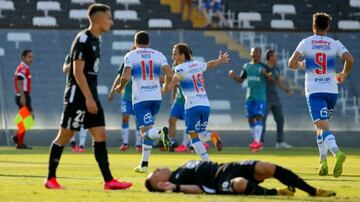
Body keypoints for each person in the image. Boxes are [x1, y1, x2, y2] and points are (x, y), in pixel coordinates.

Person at [44, 4, 132, 190]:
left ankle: (109, 181)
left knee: (100, 135)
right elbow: (77, 72)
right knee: (65, 136)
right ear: (99, 19)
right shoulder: (83, 39)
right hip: (78, 97)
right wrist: (88, 99)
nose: (111, 21)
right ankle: (50, 179)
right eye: (109, 18)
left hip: (90, 96)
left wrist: (92, 98)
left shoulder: (96, 41)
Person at [288, 12, 353, 177]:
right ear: (328, 27)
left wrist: (301, 64)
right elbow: (350, 59)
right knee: (320, 127)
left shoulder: (306, 43)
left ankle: (337, 153)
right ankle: (322, 162)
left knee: (323, 127)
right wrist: (344, 74)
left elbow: (291, 63)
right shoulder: (334, 43)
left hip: (315, 92)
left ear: (313, 26)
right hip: (332, 91)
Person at [115, 31, 173, 173]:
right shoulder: (158, 54)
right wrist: (165, 86)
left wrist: (120, 87)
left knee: (145, 132)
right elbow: (170, 74)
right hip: (156, 98)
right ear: (148, 42)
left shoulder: (131, 55)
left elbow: (126, 75)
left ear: (135, 42)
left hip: (141, 99)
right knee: (148, 130)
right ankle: (144, 164)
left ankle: (161, 134)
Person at [163, 43, 229, 161]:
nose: (173, 56)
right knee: (200, 134)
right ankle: (213, 137)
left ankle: (207, 163)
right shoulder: (197, 64)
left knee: (193, 138)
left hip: (192, 106)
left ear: (183, 55)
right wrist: (220, 60)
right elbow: (210, 64)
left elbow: (171, 85)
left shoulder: (180, 68)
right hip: (205, 105)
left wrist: (165, 85)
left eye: (175, 54)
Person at [145, 159, 336, 197]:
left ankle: (312, 191)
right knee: (240, 184)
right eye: (155, 173)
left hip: (228, 166)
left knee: (267, 167)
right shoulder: (177, 181)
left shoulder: (181, 167)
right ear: (160, 183)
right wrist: (174, 188)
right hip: (219, 183)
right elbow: (200, 189)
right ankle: (274, 192)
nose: (157, 168)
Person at [228, 48, 273, 152]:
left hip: (260, 97)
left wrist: (265, 74)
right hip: (249, 97)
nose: (254, 55)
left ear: (260, 55)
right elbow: (240, 79)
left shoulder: (264, 67)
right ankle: (256, 142)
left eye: (256, 54)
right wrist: (233, 75)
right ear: (250, 54)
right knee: (250, 119)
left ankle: (257, 141)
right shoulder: (247, 66)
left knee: (258, 117)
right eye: (253, 54)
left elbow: (272, 80)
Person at [261, 50, 293, 149]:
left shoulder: (276, 69)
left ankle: (280, 142)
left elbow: (278, 81)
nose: (277, 58)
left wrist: (286, 90)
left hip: (274, 97)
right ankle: (260, 141)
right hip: (264, 97)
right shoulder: (263, 67)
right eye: (275, 56)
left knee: (280, 119)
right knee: (262, 120)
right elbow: (271, 79)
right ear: (270, 57)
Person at [108, 60, 142, 152]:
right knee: (125, 118)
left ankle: (139, 145)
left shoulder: (141, 63)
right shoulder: (126, 63)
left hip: (138, 98)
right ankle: (125, 143)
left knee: (138, 121)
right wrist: (112, 92)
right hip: (126, 98)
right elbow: (119, 77)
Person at [63, 54, 88, 153]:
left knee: (83, 119)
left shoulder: (88, 57)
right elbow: (65, 70)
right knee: (70, 118)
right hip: (71, 92)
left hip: (83, 91)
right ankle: (73, 143)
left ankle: (82, 145)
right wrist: (74, 63)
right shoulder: (69, 56)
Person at [12, 49, 34, 149]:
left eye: (32, 57)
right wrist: (22, 96)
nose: (31, 59)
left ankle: (18, 139)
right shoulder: (23, 68)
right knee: (29, 118)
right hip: (23, 95)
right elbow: (19, 82)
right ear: (23, 57)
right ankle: (19, 141)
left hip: (23, 95)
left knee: (25, 119)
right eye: (29, 57)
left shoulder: (24, 68)